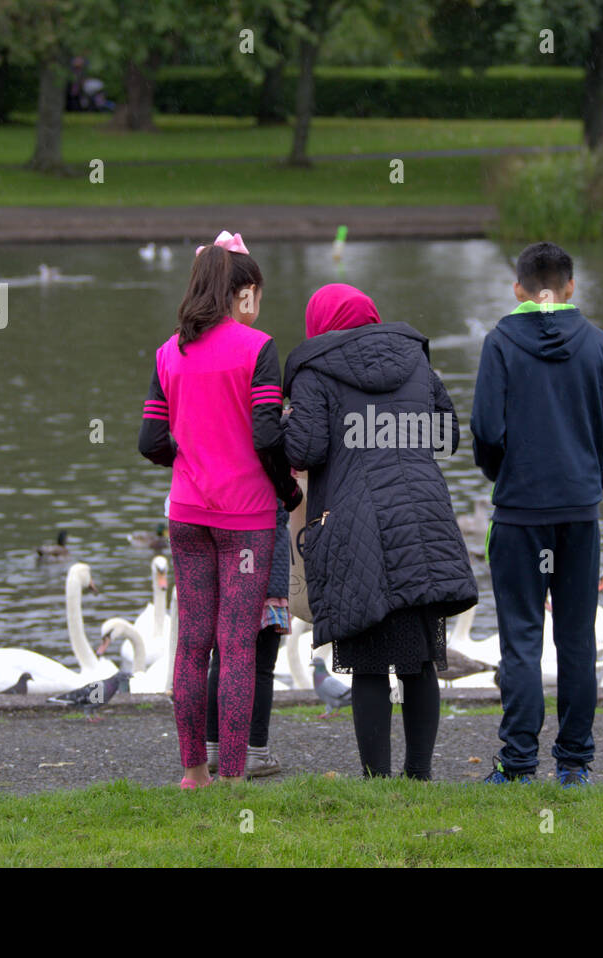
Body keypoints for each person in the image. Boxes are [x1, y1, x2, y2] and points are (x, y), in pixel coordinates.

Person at [283, 284, 477, 780]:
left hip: (354, 526)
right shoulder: (413, 357)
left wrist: (280, 421)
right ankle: (420, 776)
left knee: (367, 658)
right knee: (418, 658)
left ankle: (376, 780)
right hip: (422, 519)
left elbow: (304, 451)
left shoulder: (314, 368)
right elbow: (444, 434)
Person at [137, 231, 302, 788]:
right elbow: (265, 434)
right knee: (235, 648)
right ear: (239, 291)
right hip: (247, 520)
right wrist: (290, 491)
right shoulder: (257, 348)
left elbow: (150, 442)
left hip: (186, 513)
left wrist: (190, 454)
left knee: (191, 646)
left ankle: (193, 773)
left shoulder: (168, 352)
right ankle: (233, 776)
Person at [470, 241, 603, 787]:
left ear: (519, 289)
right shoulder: (601, 346)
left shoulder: (499, 344)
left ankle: (517, 764)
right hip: (578, 513)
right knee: (577, 637)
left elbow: (487, 433)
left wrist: (508, 478)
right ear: (571, 287)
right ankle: (574, 763)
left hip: (519, 512)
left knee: (520, 637)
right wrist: (590, 480)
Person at [203, 492, 292, 778]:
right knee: (263, 668)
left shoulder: (223, 457)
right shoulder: (270, 455)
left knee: (222, 658)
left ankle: (213, 746)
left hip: (228, 571)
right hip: (267, 571)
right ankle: (256, 752)